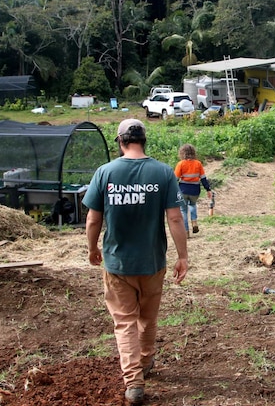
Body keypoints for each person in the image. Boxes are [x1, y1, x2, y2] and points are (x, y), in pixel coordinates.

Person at [83, 118, 188, 405]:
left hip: (118, 264)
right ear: (144, 140)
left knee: (125, 322)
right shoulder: (164, 172)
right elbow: (175, 217)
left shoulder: (105, 172)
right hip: (153, 262)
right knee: (147, 318)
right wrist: (183, 256)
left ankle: (134, 383)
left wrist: (92, 248)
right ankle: (146, 360)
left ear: (120, 141)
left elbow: (93, 218)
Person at [174, 143, 212, 235]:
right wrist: (208, 189)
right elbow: (203, 178)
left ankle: (186, 231)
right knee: (193, 205)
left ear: (182, 153)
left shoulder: (181, 164)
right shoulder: (198, 164)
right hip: (195, 190)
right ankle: (194, 221)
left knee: (183, 210)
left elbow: (175, 178)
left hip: (183, 189)